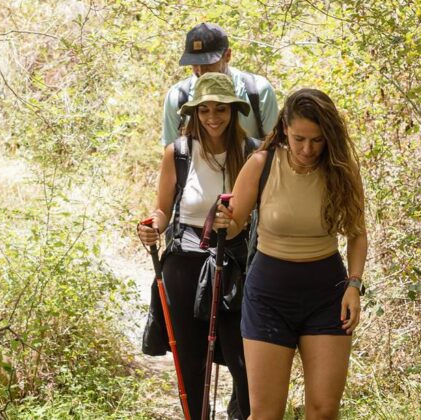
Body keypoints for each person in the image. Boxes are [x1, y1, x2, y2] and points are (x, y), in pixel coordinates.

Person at [213, 88, 368, 419]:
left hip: (327, 294)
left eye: (317, 140)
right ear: (284, 128)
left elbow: (357, 233)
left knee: (324, 410)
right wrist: (223, 222)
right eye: (299, 139)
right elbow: (236, 224)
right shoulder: (261, 165)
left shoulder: (341, 170)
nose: (308, 149)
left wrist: (354, 285)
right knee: (266, 414)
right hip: (269, 294)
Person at [139, 73, 254, 419]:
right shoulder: (179, 153)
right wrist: (152, 228)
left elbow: (261, 211)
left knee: (244, 358)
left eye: (221, 109)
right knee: (190, 360)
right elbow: (162, 208)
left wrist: (234, 222)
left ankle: (243, 412)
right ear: (194, 113)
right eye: (204, 110)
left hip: (235, 263)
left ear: (234, 111)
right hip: (186, 262)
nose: (213, 117)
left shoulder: (251, 154)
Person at [161, 22, 279, 146]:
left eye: (208, 63)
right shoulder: (177, 96)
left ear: (227, 56)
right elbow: (171, 150)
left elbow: (273, 146)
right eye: (194, 63)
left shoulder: (258, 90)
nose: (200, 71)